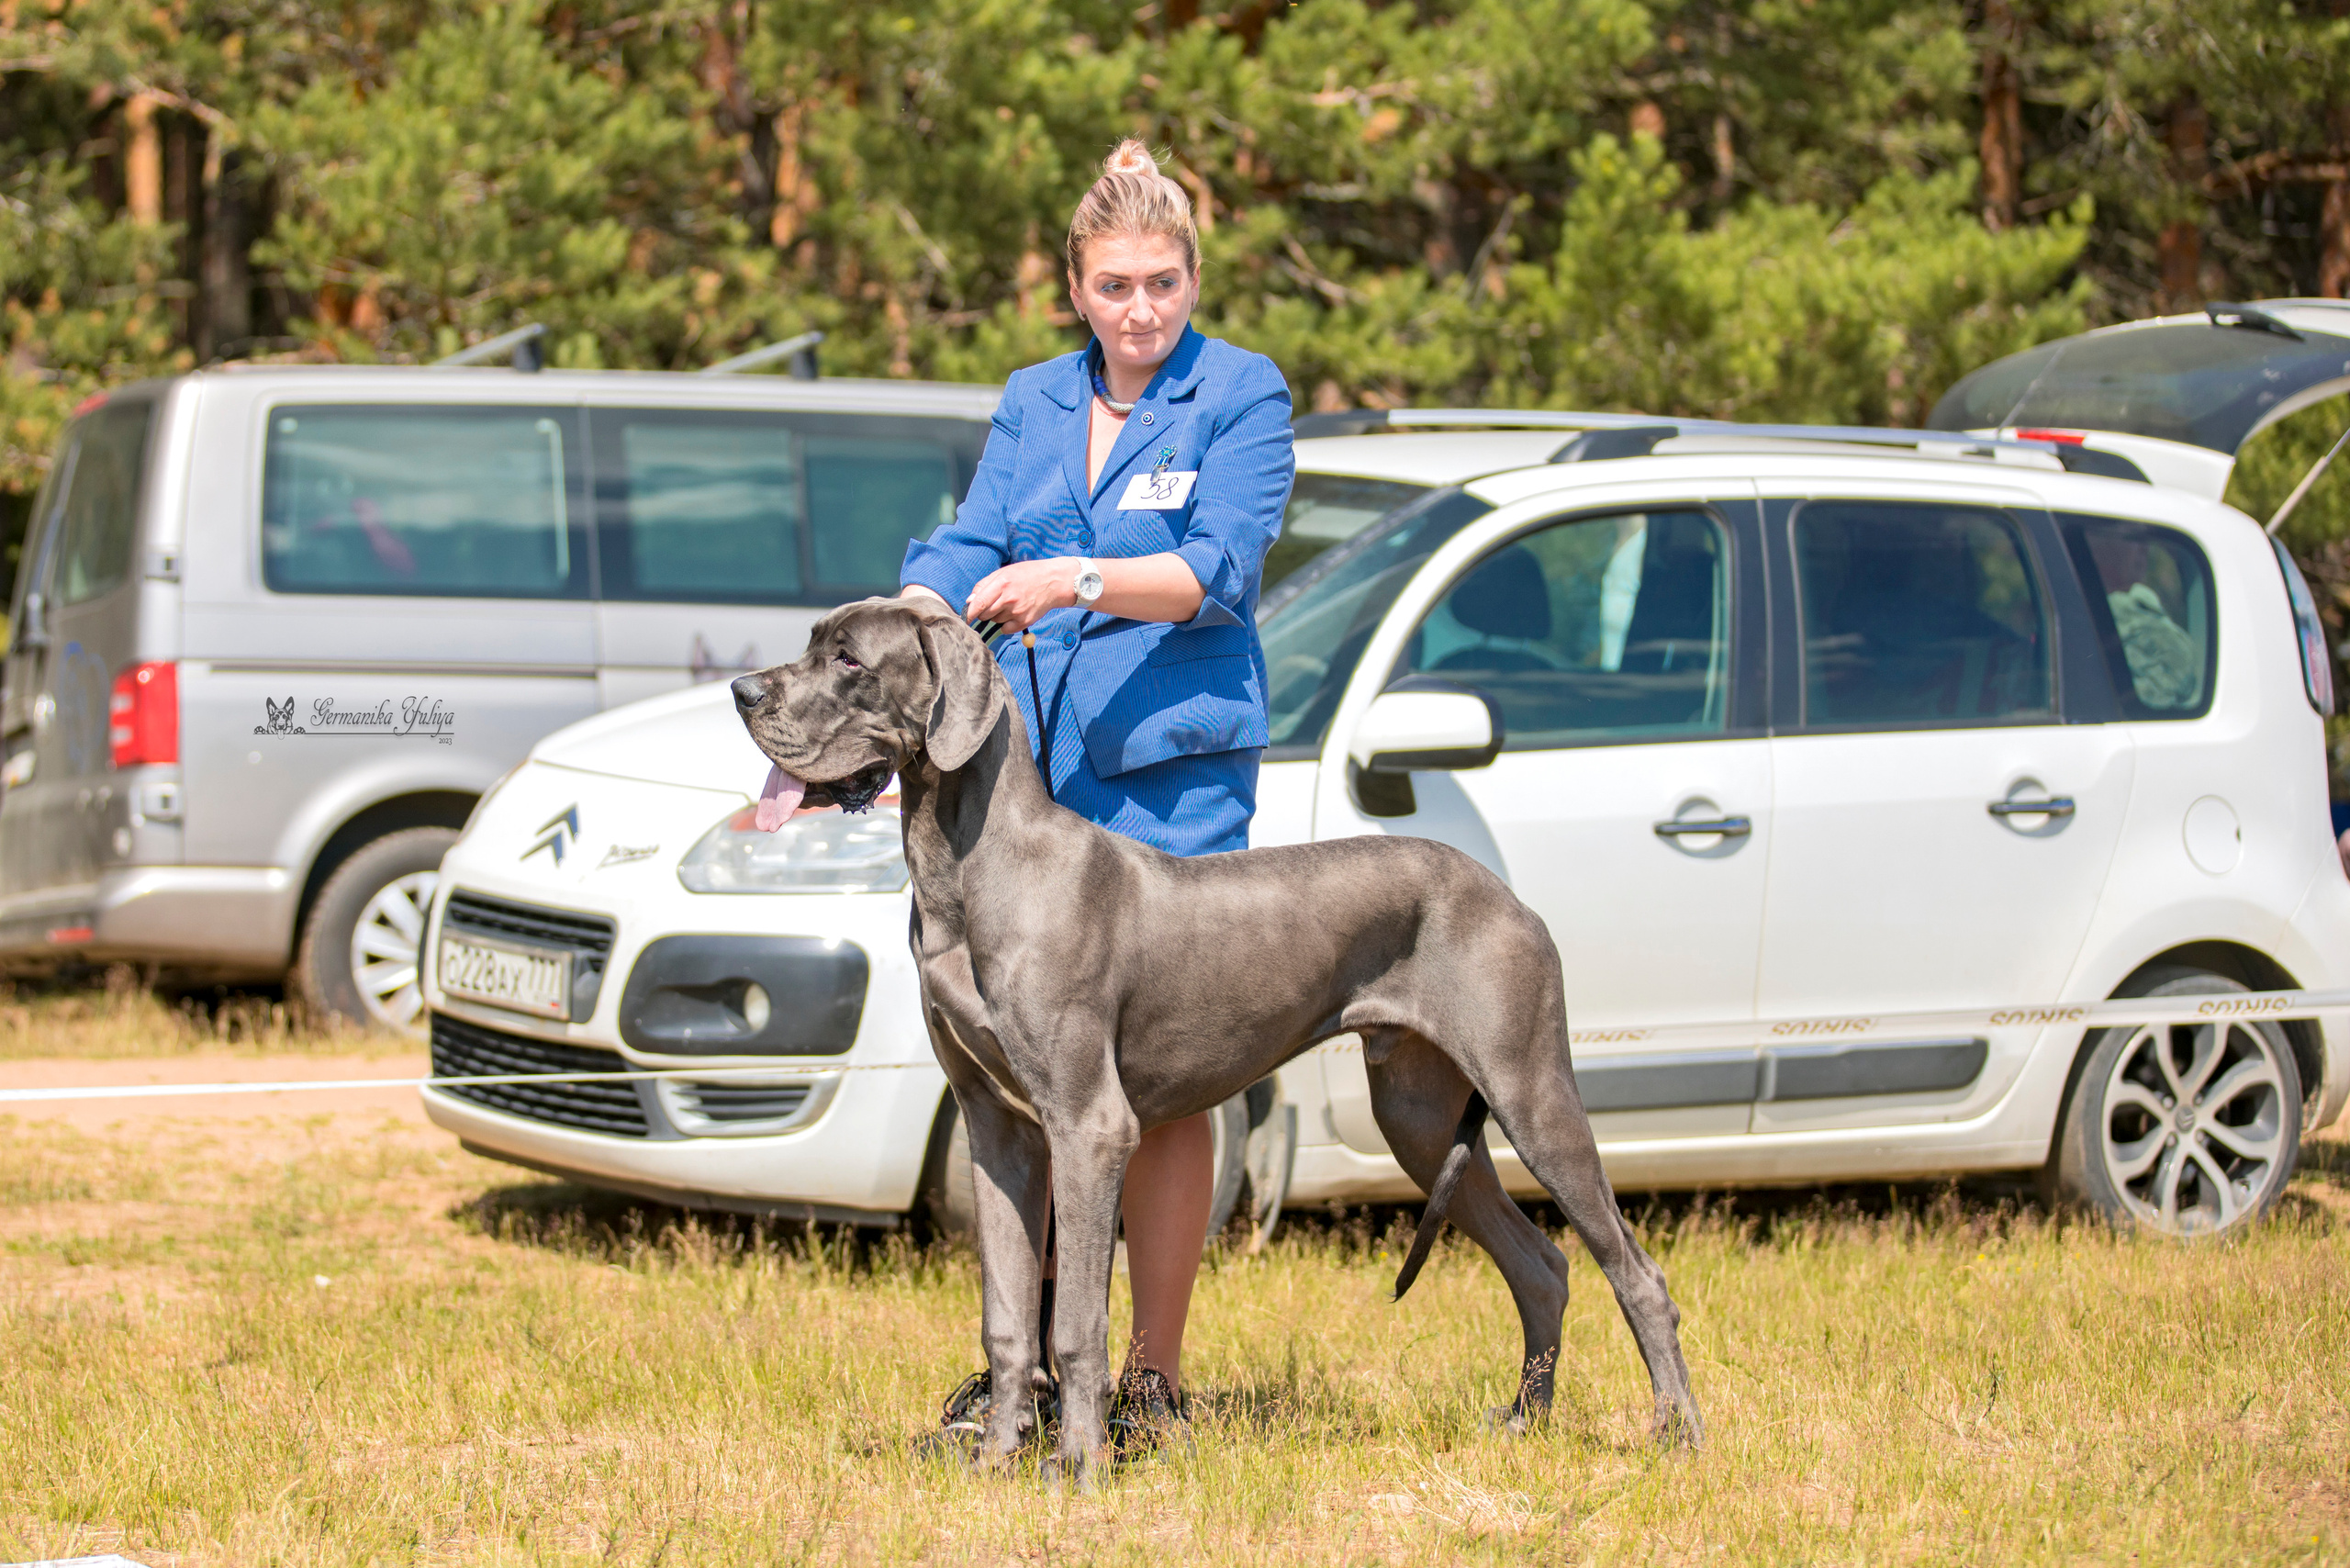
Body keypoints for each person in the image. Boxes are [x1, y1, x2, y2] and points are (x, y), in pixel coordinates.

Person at [899, 137, 1294, 1452]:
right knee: (1035, 1074)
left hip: (1174, 782)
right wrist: (915, 601)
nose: (1140, 311)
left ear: (1194, 279)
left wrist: (1069, 578)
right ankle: (1029, 1373)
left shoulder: (1239, 393)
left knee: (1163, 1082)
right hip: (1039, 781)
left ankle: (1152, 1379)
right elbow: (974, 537)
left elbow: (1216, 571)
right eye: (1115, 286)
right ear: (1075, 287)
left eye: (1162, 283)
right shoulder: (1033, 398)